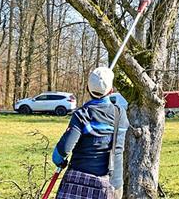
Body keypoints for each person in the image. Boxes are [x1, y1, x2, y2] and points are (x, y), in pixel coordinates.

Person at [52, 67, 129, 199]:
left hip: (78, 182)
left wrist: (59, 161)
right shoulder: (120, 114)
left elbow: (62, 151)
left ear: (87, 89)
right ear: (111, 91)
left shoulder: (82, 114)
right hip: (112, 183)